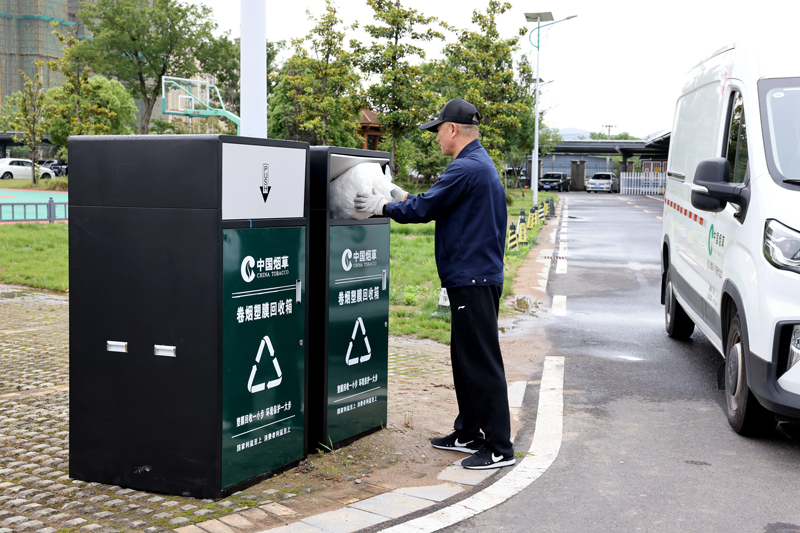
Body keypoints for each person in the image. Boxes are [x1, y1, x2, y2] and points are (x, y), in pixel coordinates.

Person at [354, 98, 514, 469]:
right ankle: (469, 431)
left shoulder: (466, 167)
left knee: (481, 362)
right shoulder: (476, 164)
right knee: (464, 359)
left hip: (473, 280)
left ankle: (500, 448)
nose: (435, 137)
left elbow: (423, 211)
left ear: (453, 129)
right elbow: (434, 202)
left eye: (437, 130)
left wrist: (382, 206)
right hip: (475, 277)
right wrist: (399, 195)